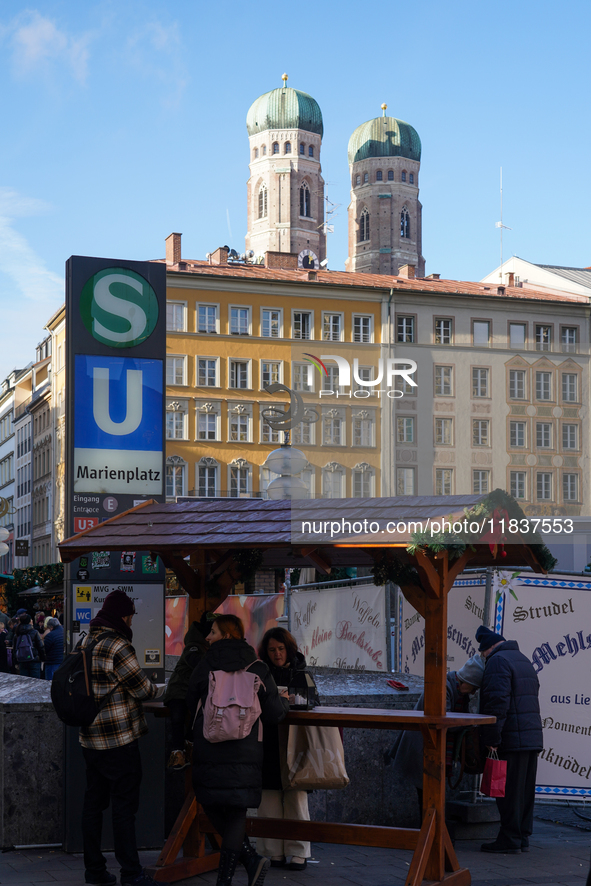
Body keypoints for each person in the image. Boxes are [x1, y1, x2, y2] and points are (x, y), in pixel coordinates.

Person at [186, 615, 289, 886]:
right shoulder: (258, 667)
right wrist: (285, 702)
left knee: (210, 802)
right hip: (245, 752)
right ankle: (235, 872)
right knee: (235, 812)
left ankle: (249, 862)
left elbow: (188, 703)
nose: (207, 637)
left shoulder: (204, 665)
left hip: (209, 748)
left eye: (213, 632)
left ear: (226, 635)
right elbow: (275, 713)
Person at [79, 589, 168, 886]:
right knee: (123, 807)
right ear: (123, 615)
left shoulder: (85, 641)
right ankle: (131, 872)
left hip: (90, 739)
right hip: (118, 740)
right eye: (130, 615)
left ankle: (94, 871)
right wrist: (163, 688)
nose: (131, 620)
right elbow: (143, 690)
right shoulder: (118, 645)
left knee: (93, 804)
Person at [390, 653, 485, 817]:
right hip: (422, 746)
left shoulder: (456, 689)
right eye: (473, 688)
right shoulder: (443, 687)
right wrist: (468, 724)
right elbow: (443, 721)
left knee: (428, 794)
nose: (473, 693)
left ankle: (430, 831)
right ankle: (430, 833)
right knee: (426, 794)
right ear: (466, 681)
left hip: (429, 746)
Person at [475, 625, 542, 854]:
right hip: (531, 736)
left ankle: (509, 839)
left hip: (511, 737)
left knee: (509, 792)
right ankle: (522, 836)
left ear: (489, 648)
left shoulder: (497, 661)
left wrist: (492, 738)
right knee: (524, 790)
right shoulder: (522, 659)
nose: (484, 658)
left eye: (483, 654)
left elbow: (497, 703)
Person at [257, 627, 319, 871]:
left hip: (296, 742)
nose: (277, 654)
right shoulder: (260, 673)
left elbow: (315, 701)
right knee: (269, 799)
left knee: (297, 798)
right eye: (272, 650)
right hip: (269, 742)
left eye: (281, 649)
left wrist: (295, 700)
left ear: (289, 649)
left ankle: (298, 852)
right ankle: (272, 852)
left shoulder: (302, 672)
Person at [163, 616, 208, 770]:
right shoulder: (194, 647)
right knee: (178, 719)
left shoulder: (201, 647)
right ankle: (179, 752)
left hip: (189, 692)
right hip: (178, 691)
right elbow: (197, 662)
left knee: (193, 717)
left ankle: (186, 749)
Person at [14, 613, 45, 678]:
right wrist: (43, 658)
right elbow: (41, 646)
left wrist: (16, 661)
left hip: (22, 660)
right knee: (35, 681)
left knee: (24, 682)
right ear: (29, 621)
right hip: (34, 660)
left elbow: (15, 648)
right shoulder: (34, 632)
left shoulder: (17, 633)